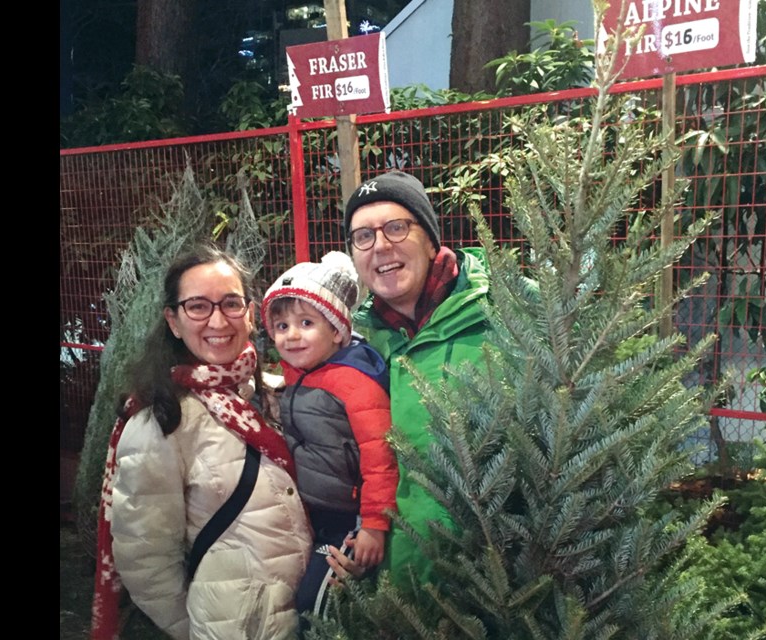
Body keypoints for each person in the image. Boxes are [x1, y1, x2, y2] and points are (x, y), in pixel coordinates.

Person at [90, 245, 313, 640]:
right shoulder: (160, 422)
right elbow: (145, 559)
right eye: (197, 306)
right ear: (173, 321)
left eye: (230, 303)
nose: (217, 320)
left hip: (309, 615)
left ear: (248, 312)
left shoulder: (271, 395)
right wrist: (201, 626)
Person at [342, 170, 493, 589]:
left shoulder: (510, 310)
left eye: (396, 227)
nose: (381, 246)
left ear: (430, 239)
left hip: (497, 585)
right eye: (363, 237)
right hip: (400, 591)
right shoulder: (355, 342)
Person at [259, 251, 398, 619]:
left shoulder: (355, 382)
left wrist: (374, 525)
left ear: (337, 330)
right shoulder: (302, 370)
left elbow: (381, 456)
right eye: (281, 326)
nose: (291, 336)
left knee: (314, 605)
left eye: (306, 323)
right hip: (312, 512)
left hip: (348, 519)